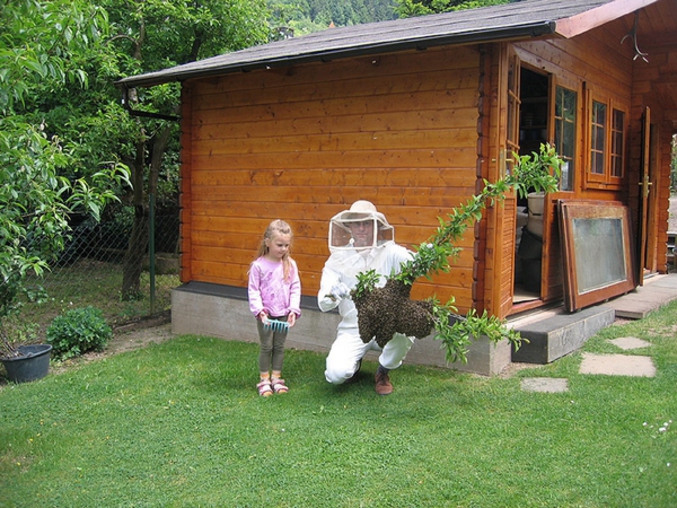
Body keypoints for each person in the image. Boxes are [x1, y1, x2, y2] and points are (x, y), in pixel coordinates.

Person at [317, 200, 415, 395]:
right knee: (336, 374)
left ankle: (383, 371)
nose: (362, 228)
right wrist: (333, 293)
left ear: (376, 226)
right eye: (357, 223)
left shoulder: (389, 251)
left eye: (367, 223)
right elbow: (323, 303)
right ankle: (354, 363)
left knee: (408, 325)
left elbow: (410, 261)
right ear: (350, 227)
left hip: (386, 324)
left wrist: (422, 257)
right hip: (353, 328)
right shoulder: (337, 259)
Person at [248, 219, 301, 397]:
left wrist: (293, 310)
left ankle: (276, 377)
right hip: (266, 316)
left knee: (279, 346)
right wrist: (260, 311)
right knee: (266, 346)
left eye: (286, 245)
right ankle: (264, 379)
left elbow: (295, 287)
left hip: (284, 314)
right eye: (279, 245)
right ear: (267, 242)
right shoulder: (258, 266)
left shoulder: (290, 264)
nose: (283, 249)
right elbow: (253, 290)